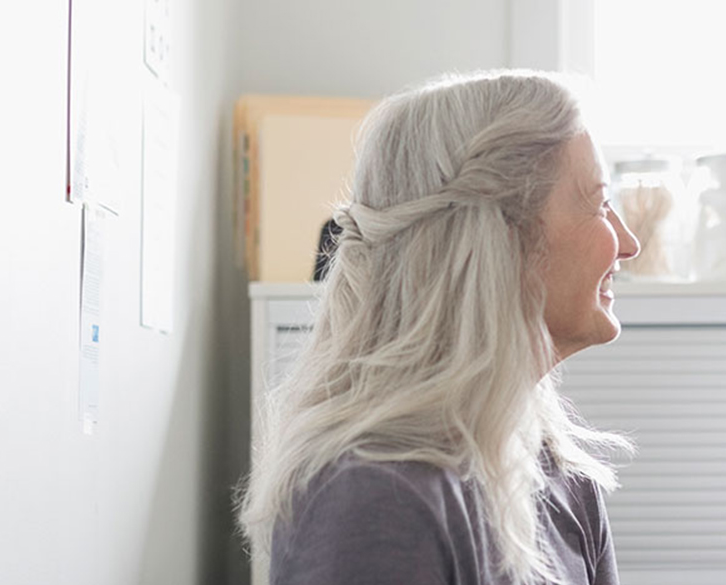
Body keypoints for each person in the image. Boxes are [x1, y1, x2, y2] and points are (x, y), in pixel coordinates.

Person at [237, 71, 641, 585]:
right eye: (599, 203)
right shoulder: (376, 502)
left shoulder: (565, 481)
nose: (628, 243)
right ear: (498, 239)